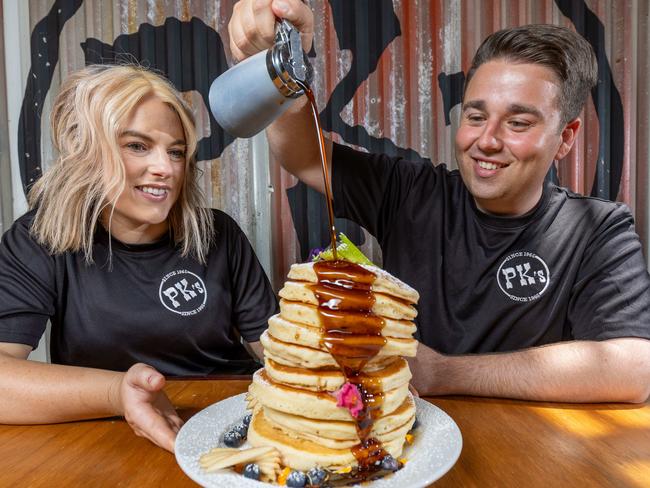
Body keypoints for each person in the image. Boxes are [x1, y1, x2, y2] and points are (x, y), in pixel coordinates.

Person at [228, 0, 650, 403]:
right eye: (475, 116)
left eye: (518, 122)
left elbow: (632, 368)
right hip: (409, 445)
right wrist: (284, 68)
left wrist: (444, 372)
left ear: (567, 138)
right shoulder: (410, 192)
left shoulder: (599, 229)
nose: (486, 141)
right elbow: (302, 154)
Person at [0, 64, 277, 451]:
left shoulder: (219, 235)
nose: (165, 168)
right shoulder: (39, 240)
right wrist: (117, 392)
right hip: (101, 430)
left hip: (223, 422)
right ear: (88, 153)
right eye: (137, 146)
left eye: (176, 152)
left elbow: (277, 352)